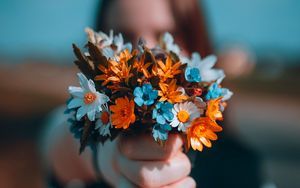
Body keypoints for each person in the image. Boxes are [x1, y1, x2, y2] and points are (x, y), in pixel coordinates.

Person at [44, 0, 261, 187]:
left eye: (167, 36)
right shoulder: (90, 132)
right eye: (124, 37)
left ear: (197, 43)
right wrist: (105, 158)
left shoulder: (240, 166)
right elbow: (57, 137)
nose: (145, 51)